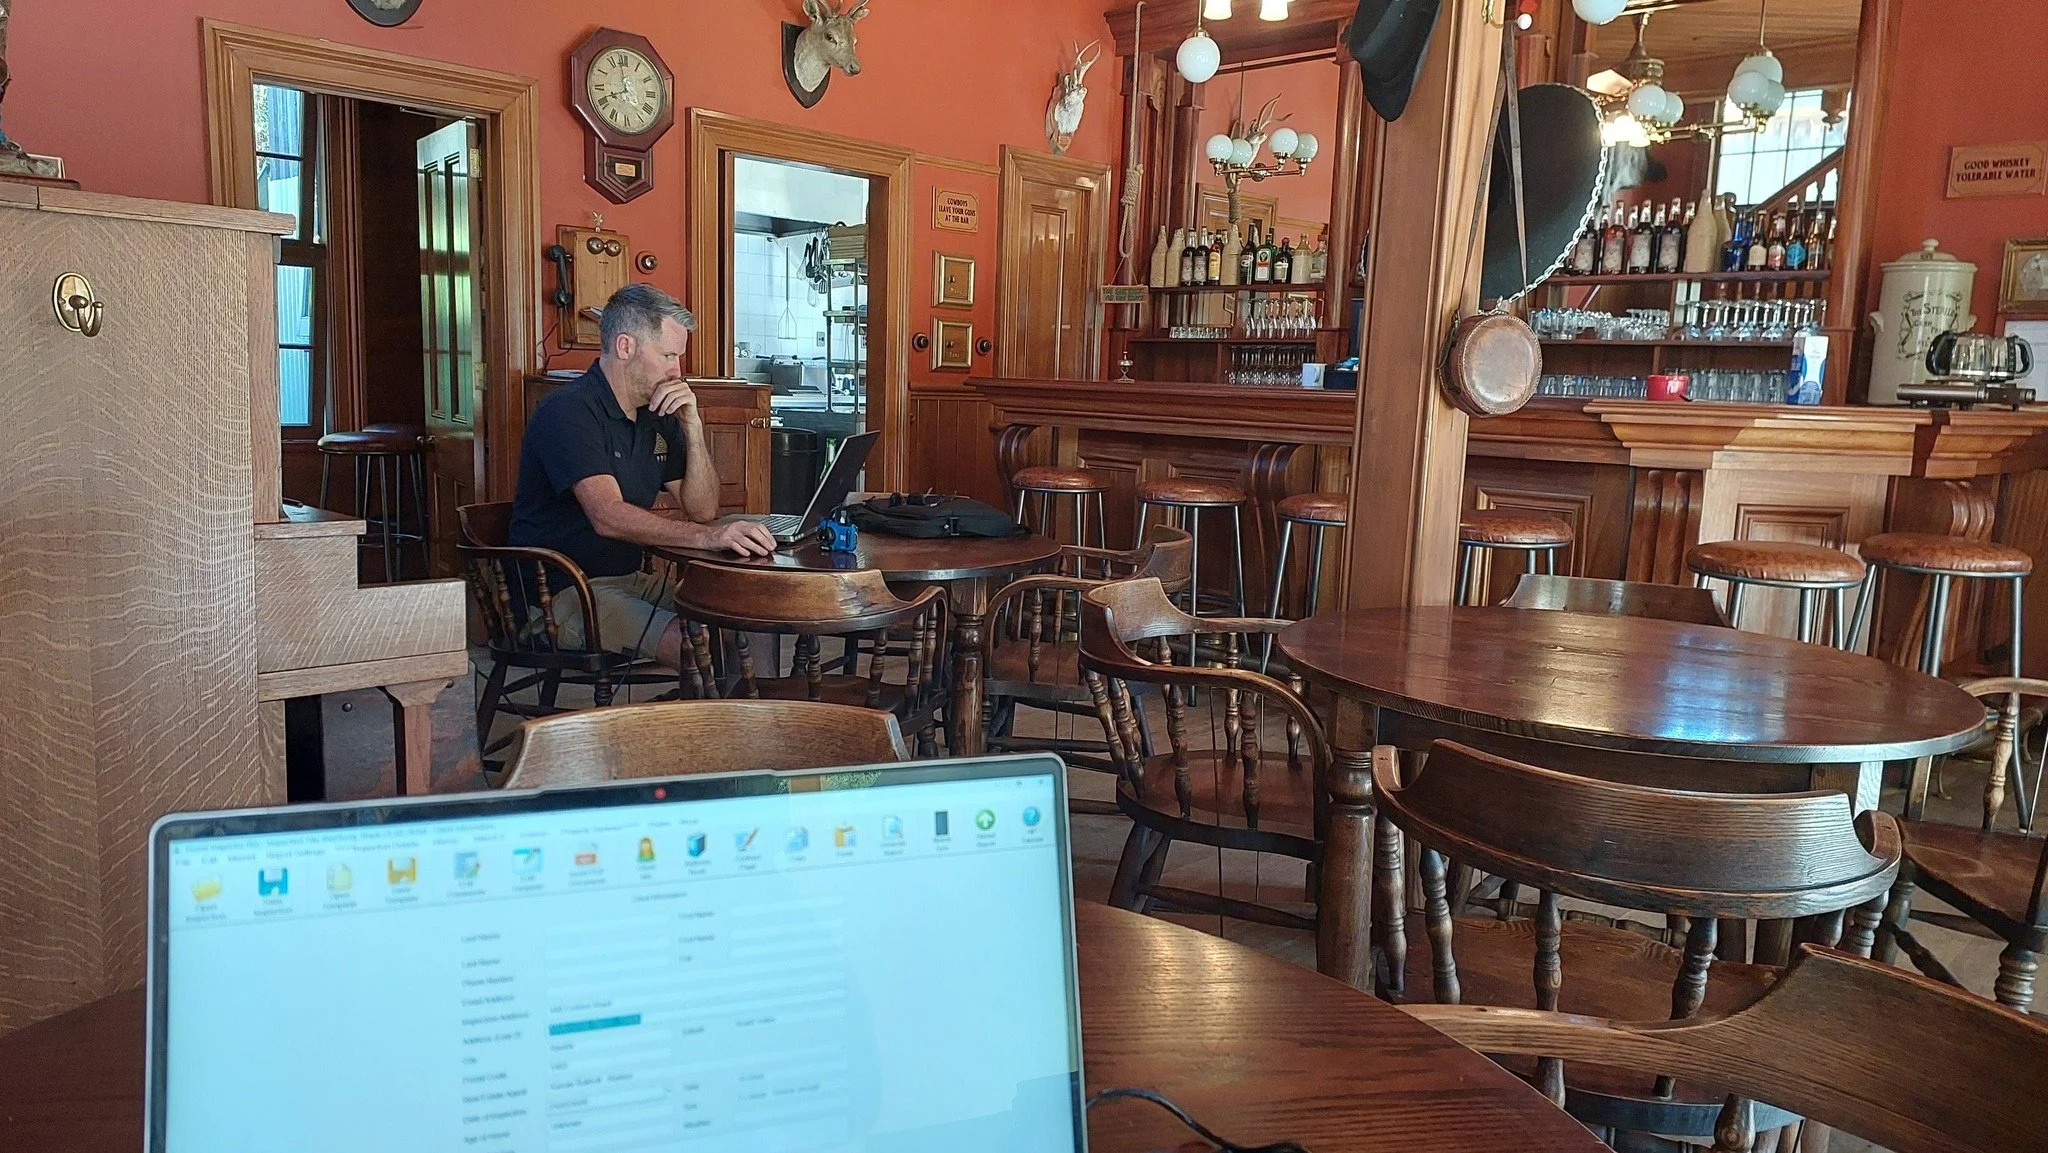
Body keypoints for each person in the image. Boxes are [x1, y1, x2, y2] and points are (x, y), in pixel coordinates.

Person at [509, 284, 777, 670]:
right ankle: (708, 723)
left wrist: (693, 426)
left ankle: (752, 724)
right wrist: (708, 537)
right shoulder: (568, 412)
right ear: (625, 347)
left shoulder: (656, 412)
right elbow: (608, 516)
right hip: (561, 591)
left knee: (749, 619)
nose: (677, 371)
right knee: (693, 644)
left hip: (629, 579)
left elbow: (701, 508)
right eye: (668, 355)